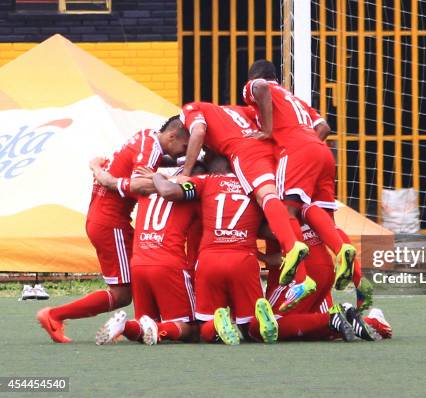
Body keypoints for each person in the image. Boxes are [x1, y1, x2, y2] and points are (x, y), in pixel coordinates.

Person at [36, 116, 188, 343]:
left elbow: (144, 165)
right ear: (172, 136)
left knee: (138, 277)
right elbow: (139, 184)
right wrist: (172, 180)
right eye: (185, 147)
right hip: (111, 222)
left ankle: (148, 324)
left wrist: (100, 171)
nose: (184, 152)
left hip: (104, 219)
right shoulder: (151, 149)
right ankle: (55, 315)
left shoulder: (147, 137)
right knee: (122, 293)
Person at [242, 60, 356, 298]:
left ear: (252, 76)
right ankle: (357, 276)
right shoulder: (295, 100)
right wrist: (308, 144)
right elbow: (324, 127)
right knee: (323, 221)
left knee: (285, 211)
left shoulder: (256, 86)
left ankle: (301, 277)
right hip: (322, 152)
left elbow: (260, 86)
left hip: (295, 152)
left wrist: (269, 131)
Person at [179, 102, 309, 295]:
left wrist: (183, 174)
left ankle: (297, 264)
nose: (202, 150)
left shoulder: (205, 182)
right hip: (275, 153)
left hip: (211, 263)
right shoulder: (235, 110)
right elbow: (267, 112)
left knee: (266, 198)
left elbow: (197, 132)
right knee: (289, 209)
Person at [153, 151, 274, 345]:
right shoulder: (253, 185)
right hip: (244, 261)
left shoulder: (205, 182)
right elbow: (271, 227)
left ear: (212, 168)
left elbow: (169, 192)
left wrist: (157, 176)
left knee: (205, 326)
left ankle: (216, 324)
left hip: (210, 261)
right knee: (249, 328)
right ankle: (257, 324)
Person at [93, 165, 203, 346]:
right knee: (191, 329)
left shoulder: (145, 186)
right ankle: (159, 330)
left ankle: (126, 327)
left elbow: (110, 182)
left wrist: (96, 167)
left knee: (146, 323)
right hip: (168, 264)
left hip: (138, 264)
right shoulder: (193, 191)